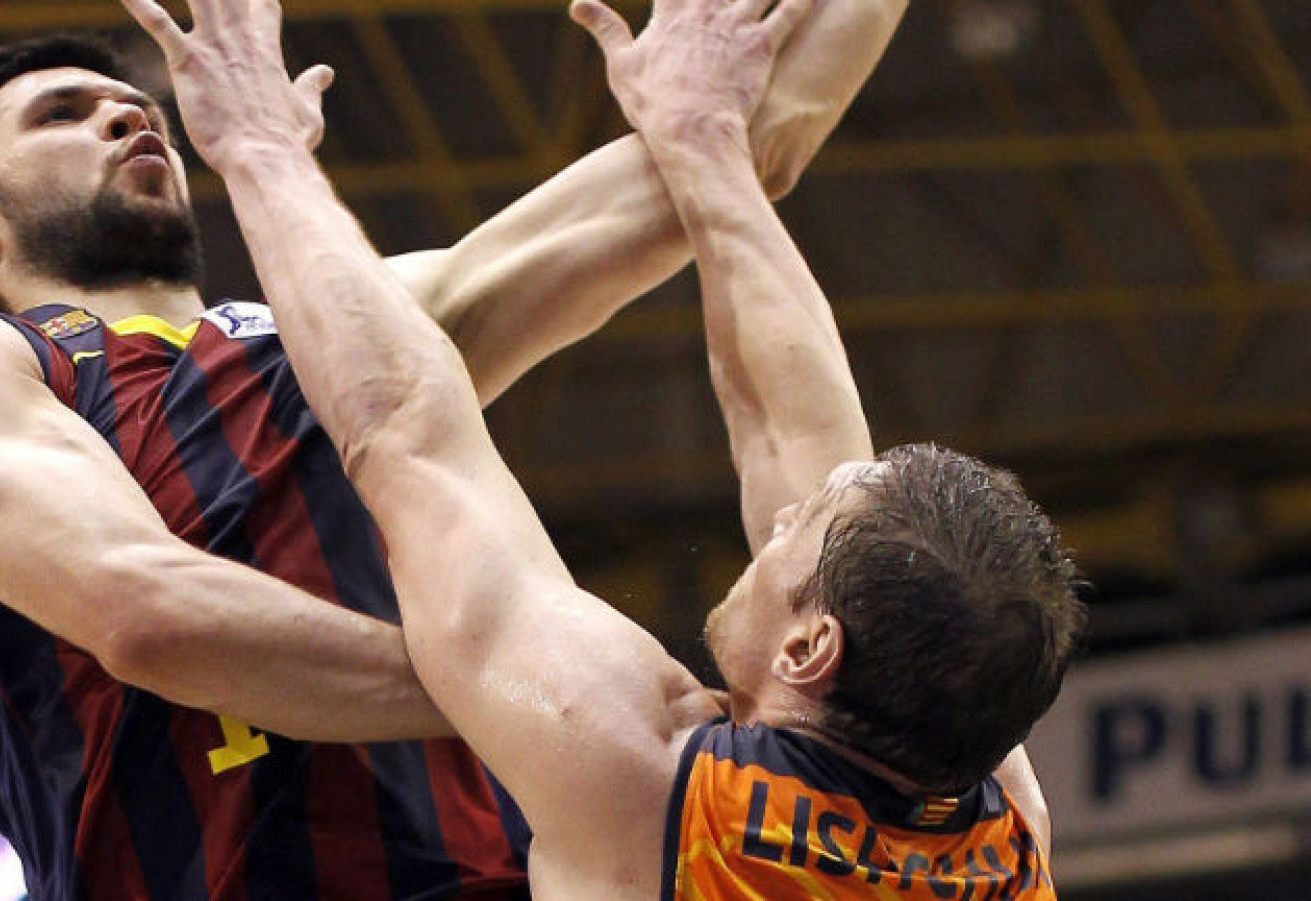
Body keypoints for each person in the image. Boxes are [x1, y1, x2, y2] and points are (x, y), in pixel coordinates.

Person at [0, 2, 907, 899]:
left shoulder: (353, 325)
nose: (123, 112)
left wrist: (716, 85)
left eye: (134, 103)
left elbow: (732, 142)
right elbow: (146, 611)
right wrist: (560, 699)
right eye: (62, 114)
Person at [117, 0, 1088, 896]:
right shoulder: (999, 827)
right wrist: (704, 143)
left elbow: (403, 434)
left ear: (809, 645)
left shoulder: (650, 791)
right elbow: (792, 430)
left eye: (804, 527)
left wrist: (256, 143)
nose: (783, 514)